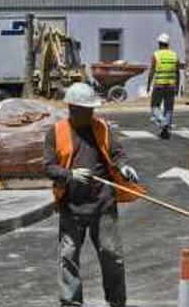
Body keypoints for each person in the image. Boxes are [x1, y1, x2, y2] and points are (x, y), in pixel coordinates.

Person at [44, 82, 143, 307]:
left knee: (111, 255)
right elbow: (48, 167)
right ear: (73, 108)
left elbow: (117, 152)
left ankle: (117, 301)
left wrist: (124, 166)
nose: (91, 113)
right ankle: (71, 302)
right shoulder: (56, 133)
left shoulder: (101, 128)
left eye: (92, 109)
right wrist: (69, 174)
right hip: (71, 205)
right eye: (87, 109)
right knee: (68, 257)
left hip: (102, 203)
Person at [147, 33, 179, 139]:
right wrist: (177, 86)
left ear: (159, 43)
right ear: (168, 44)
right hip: (171, 85)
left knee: (154, 106)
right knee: (168, 108)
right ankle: (165, 131)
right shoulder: (174, 55)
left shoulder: (156, 55)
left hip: (159, 85)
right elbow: (177, 72)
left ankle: (163, 122)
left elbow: (151, 71)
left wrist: (148, 84)